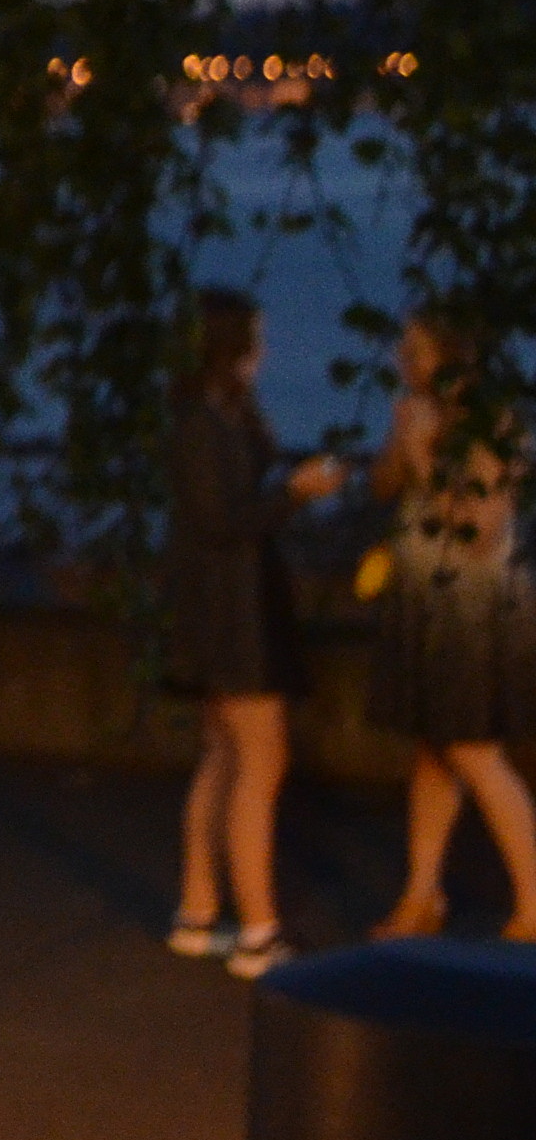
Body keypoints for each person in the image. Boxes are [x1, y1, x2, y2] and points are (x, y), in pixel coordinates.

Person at [167, 289, 350, 978]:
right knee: (259, 763)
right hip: (232, 613)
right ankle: (258, 930)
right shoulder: (198, 424)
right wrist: (295, 493)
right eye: (255, 339)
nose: (264, 352)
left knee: (221, 756)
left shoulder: (216, 415)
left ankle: (198, 912)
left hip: (225, 607)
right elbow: (223, 522)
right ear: (231, 346)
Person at [366, 312, 536, 940]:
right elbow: (383, 487)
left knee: (474, 751)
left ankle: (534, 902)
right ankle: (421, 896)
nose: (402, 360)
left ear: (451, 354)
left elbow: (478, 526)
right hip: (425, 601)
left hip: (472, 607)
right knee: (433, 752)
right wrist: (400, 443)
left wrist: (421, 455)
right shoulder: (417, 413)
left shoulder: (491, 424)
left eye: (416, 350)